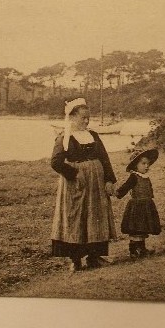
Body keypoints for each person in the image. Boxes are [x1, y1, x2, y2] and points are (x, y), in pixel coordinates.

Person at [50, 97, 118, 271]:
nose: (87, 121)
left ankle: (94, 258)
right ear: (72, 117)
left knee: (96, 216)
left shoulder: (93, 135)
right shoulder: (65, 138)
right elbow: (56, 162)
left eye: (88, 118)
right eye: (83, 118)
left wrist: (109, 179)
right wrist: (74, 173)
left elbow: (104, 158)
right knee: (75, 218)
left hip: (96, 182)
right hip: (76, 185)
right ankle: (76, 260)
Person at [115, 147, 162, 257]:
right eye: (143, 163)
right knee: (136, 229)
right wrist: (118, 193)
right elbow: (125, 187)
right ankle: (133, 250)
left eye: (148, 164)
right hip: (137, 207)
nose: (146, 166)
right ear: (136, 165)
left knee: (143, 228)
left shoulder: (146, 177)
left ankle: (142, 249)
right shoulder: (134, 177)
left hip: (146, 205)